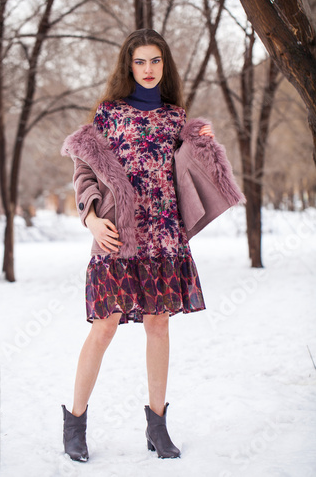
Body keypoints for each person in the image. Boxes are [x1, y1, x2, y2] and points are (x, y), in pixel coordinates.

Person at [61, 28, 245, 462]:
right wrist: (90, 219)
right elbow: (84, 174)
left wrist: (203, 140)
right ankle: (75, 423)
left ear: (165, 66)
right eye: (140, 61)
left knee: (158, 326)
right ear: (129, 65)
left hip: (163, 239)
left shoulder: (174, 118)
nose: (147, 69)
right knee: (104, 326)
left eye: (155, 61)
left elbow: (193, 172)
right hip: (116, 237)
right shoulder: (107, 116)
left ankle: (157, 426)